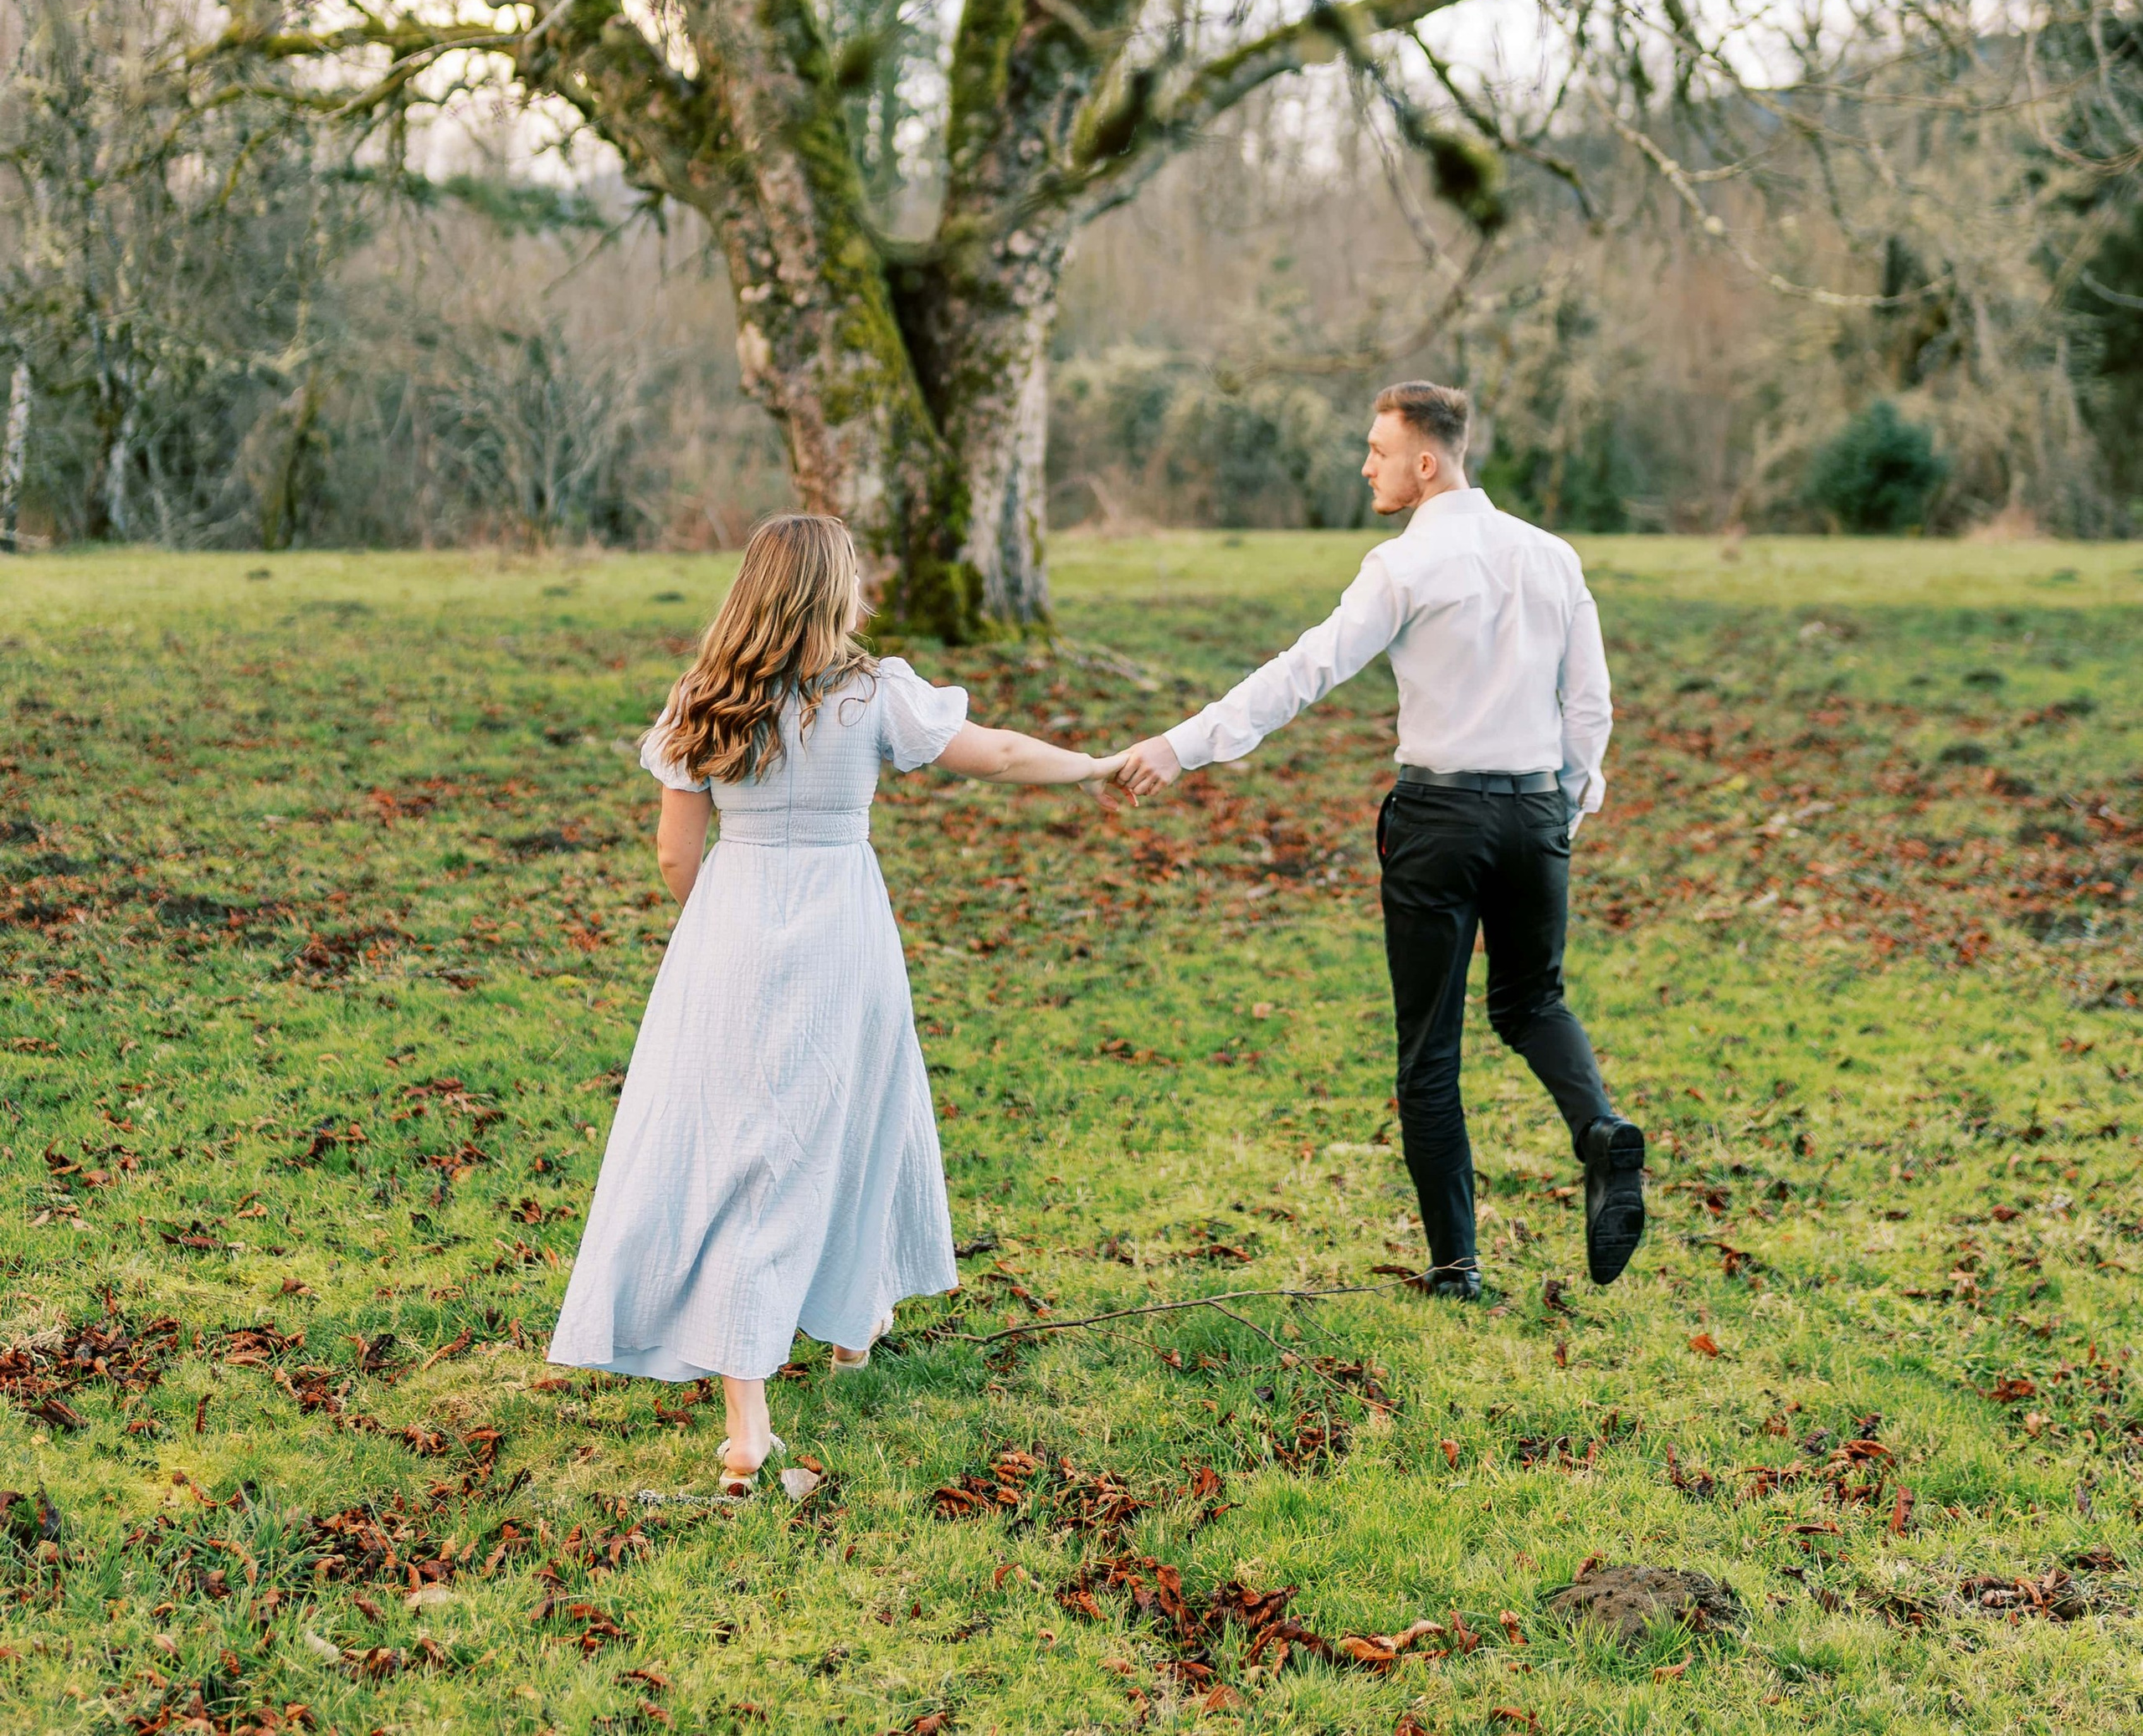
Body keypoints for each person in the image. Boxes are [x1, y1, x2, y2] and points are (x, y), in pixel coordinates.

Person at [548, 512, 1121, 1493]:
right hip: (841, 931)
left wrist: (723, 922)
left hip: (729, 933)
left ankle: (753, 1417)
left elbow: (674, 857)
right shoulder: (873, 697)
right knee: (851, 1121)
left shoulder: (705, 700)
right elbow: (1003, 755)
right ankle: (844, 1331)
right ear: (836, 592)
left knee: (739, 1150)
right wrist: (1102, 767)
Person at [1113, 382, 1642, 1301]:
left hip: (1440, 820)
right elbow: (1588, 701)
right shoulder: (1552, 557)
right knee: (1530, 1004)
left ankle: (1456, 1268)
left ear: (1425, 461)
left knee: (1428, 1049)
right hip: (1534, 812)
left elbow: (1304, 672)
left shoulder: (1403, 566)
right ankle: (1597, 1129)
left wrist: (1181, 745)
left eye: (1377, 450)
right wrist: (1565, 803)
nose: (1366, 466)